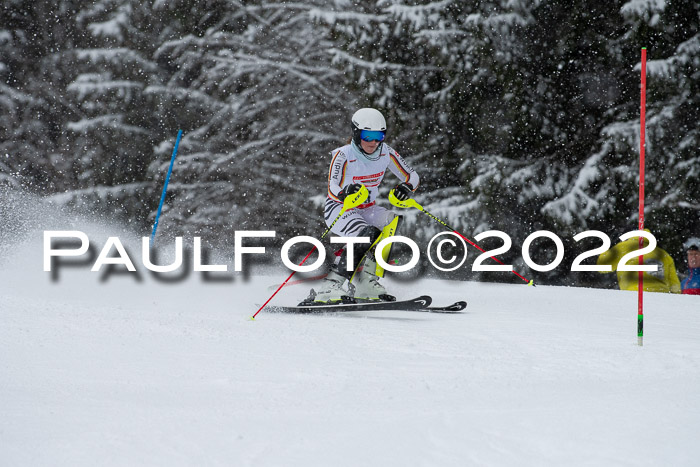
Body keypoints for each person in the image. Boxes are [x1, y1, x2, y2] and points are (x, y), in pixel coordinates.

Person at [313, 108, 420, 303]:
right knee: (366, 232)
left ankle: (365, 282)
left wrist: (406, 186)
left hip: (368, 208)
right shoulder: (343, 154)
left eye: (379, 136)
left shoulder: (385, 152)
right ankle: (330, 285)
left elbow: (412, 175)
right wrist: (344, 192)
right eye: (367, 135)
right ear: (356, 133)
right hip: (340, 208)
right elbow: (332, 187)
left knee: (391, 221)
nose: (373, 142)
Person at [597, 231, 680, 293]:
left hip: (634, 294)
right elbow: (675, 286)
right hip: (661, 295)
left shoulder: (624, 246)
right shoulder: (663, 254)